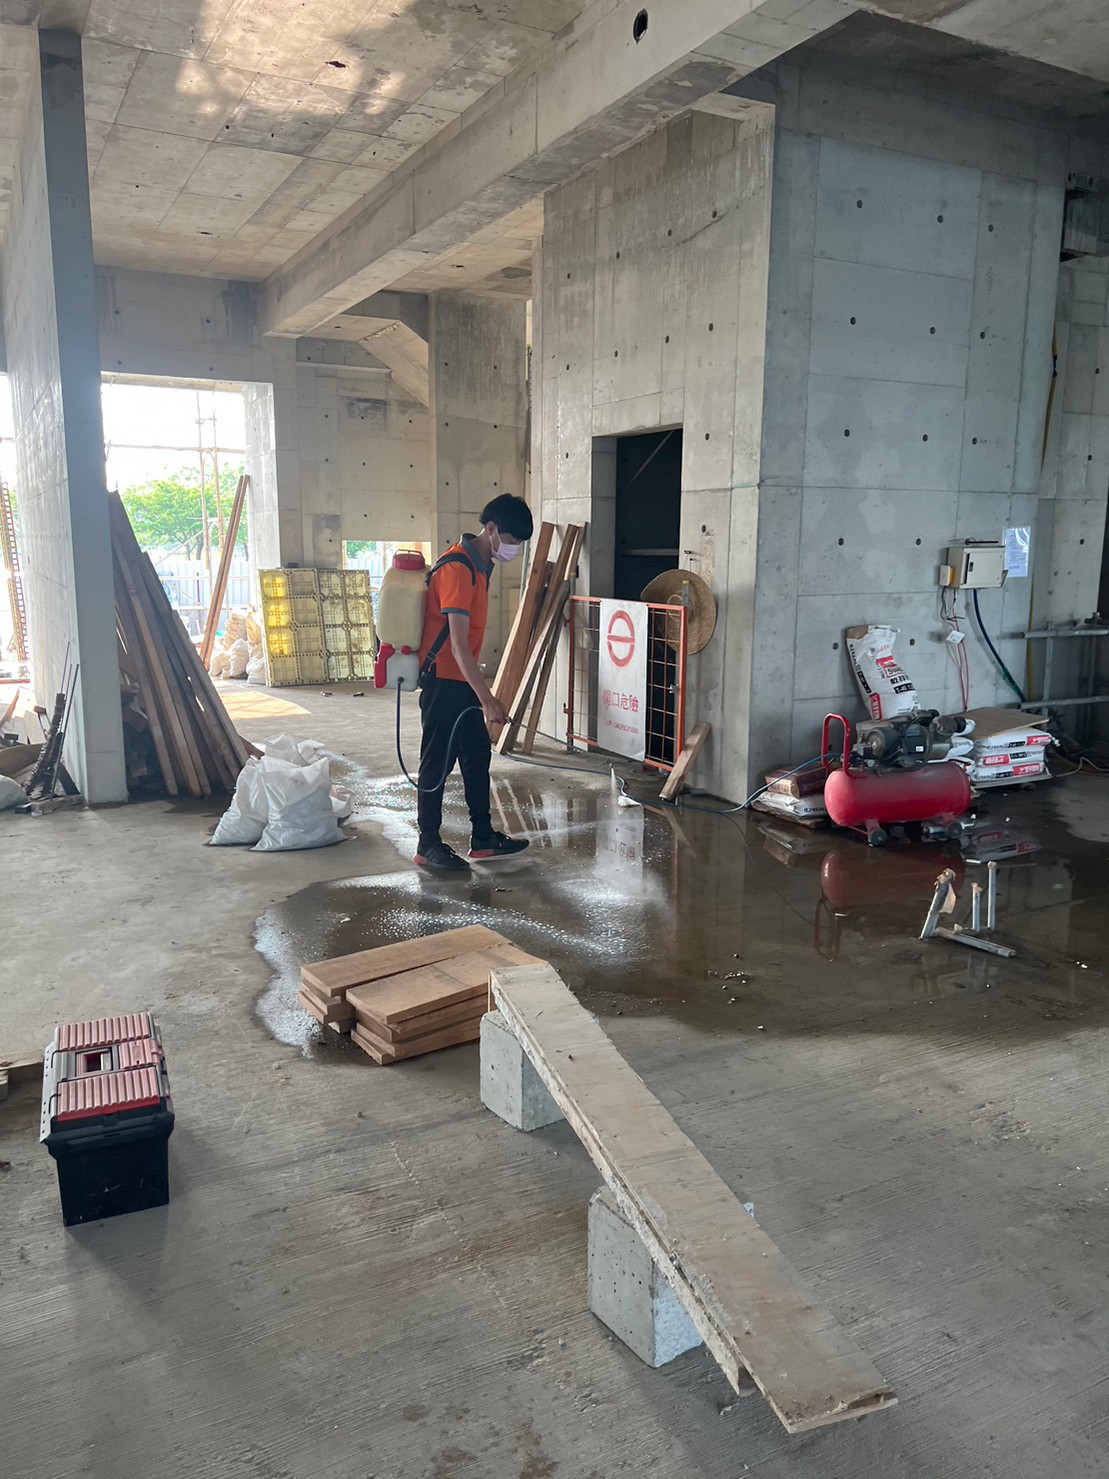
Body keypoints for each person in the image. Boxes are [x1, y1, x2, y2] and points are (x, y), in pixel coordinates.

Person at [414, 494, 535, 872]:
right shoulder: (457, 568)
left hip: (461, 680)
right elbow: (458, 644)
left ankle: (482, 837)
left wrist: (479, 692)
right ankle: (427, 844)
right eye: (511, 540)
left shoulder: (481, 567)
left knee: (477, 755)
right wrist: (488, 699)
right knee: (437, 763)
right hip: (443, 681)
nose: (513, 549)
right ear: (491, 529)